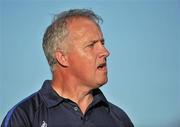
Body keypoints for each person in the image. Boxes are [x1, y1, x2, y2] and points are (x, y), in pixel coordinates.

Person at [1, 9, 134, 127]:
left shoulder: (119, 119)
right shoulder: (25, 116)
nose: (105, 52)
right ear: (62, 57)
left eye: (102, 43)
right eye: (91, 45)